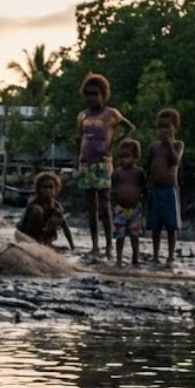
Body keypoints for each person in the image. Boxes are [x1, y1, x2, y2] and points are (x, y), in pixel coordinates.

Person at [76, 73, 134, 259]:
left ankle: (109, 245)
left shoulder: (112, 114)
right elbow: (81, 138)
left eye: (95, 93)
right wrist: (79, 160)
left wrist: (116, 144)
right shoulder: (82, 116)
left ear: (103, 94)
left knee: (104, 205)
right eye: (89, 94)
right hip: (86, 165)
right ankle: (95, 246)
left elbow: (129, 127)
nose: (92, 98)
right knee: (91, 208)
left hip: (103, 163)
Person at [147, 108, 185, 266]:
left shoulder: (178, 145)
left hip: (170, 190)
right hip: (155, 189)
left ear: (175, 127)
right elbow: (149, 167)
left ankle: (170, 256)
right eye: (161, 127)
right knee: (155, 226)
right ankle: (155, 256)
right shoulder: (154, 147)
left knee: (171, 226)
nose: (164, 130)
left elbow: (175, 162)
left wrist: (169, 144)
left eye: (167, 126)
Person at [110, 138, 148, 267]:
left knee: (134, 235)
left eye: (127, 157)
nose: (123, 160)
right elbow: (113, 191)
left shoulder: (139, 173)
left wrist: (144, 211)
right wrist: (114, 207)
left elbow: (144, 191)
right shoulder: (116, 173)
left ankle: (135, 259)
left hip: (135, 209)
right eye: (121, 157)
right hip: (120, 209)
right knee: (119, 236)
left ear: (135, 157)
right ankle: (119, 260)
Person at [16, 171, 74, 250]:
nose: (48, 190)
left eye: (50, 187)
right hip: (28, 234)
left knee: (58, 214)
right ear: (39, 189)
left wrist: (72, 246)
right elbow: (23, 224)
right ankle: (36, 240)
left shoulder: (56, 206)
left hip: (45, 234)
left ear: (55, 189)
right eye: (45, 187)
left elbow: (65, 227)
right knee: (37, 210)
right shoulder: (33, 202)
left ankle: (46, 241)